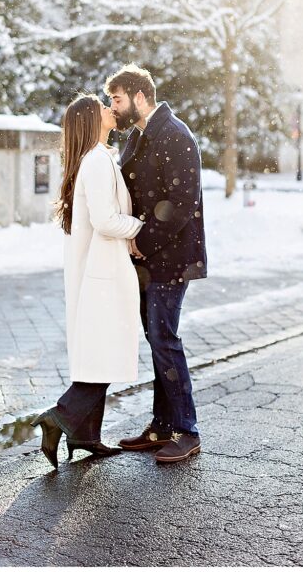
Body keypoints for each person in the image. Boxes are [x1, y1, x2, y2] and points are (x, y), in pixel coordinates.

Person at [32, 94, 144, 469]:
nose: (111, 109)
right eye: (102, 107)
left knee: (101, 354)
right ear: (91, 120)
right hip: (103, 273)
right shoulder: (96, 160)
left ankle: (84, 435)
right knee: (105, 353)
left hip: (101, 271)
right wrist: (141, 230)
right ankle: (60, 416)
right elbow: (105, 220)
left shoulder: (96, 157)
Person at [105, 64, 207, 463]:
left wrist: (143, 241)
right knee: (155, 338)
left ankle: (187, 429)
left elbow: (182, 204)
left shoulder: (175, 135)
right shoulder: (139, 136)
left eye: (116, 99)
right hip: (147, 259)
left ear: (139, 97)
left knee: (164, 337)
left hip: (172, 258)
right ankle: (162, 427)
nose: (112, 107)